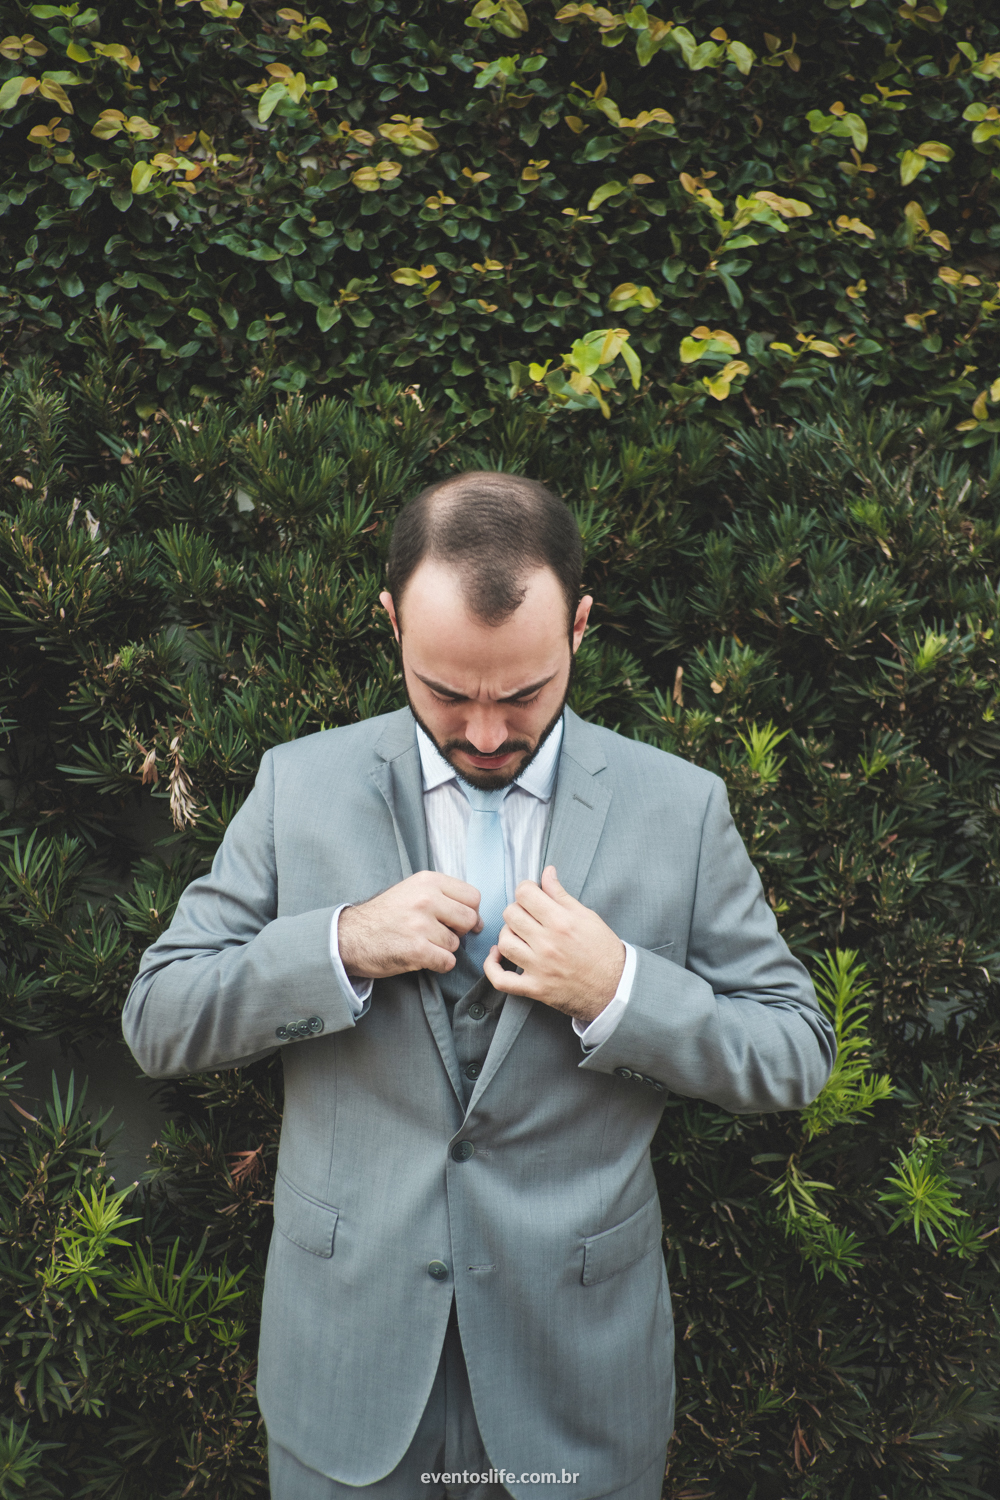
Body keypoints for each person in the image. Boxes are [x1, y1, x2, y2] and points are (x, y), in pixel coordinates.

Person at [123, 472, 836, 1500]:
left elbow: (794, 1050)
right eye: (448, 693)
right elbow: (158, 1017)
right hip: (347, 1372)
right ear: (390, 625)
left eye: (525, 692)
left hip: (576, 1383)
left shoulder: (679, 811)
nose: (489, 734)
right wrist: (341, 945)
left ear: (580, 627)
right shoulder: (298, 786)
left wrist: (618, 988)